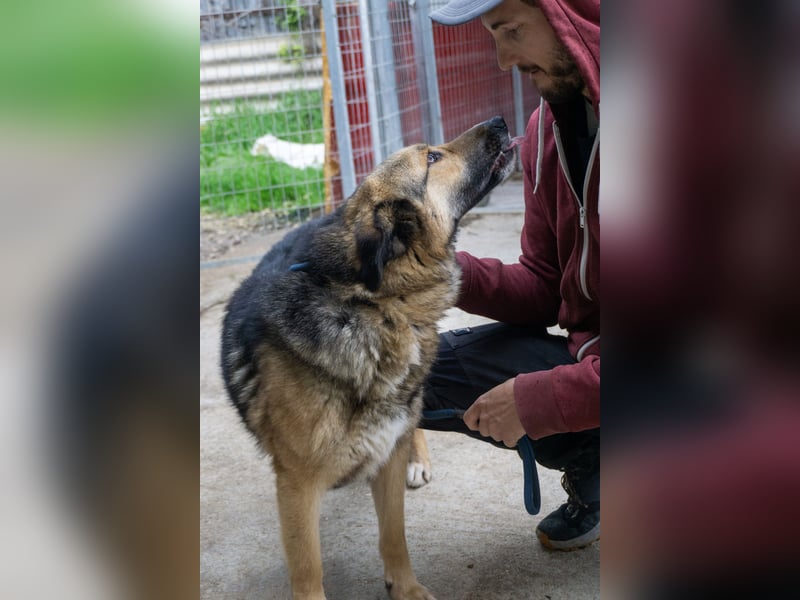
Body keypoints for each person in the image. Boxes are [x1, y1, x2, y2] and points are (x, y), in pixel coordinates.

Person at [421, 0, 600, 551]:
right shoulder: (547, 126)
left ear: (574, 14)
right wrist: (445, 269)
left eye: (512, 31)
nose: (502, 60)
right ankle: (602, 471)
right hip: (596, 361)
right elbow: (546, 285)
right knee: (399, 375)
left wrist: (540, 399)